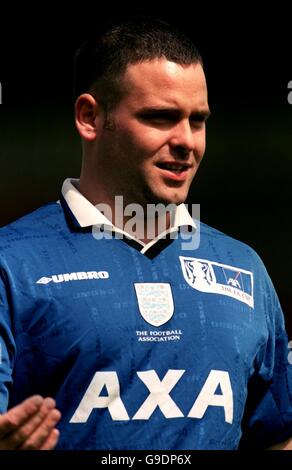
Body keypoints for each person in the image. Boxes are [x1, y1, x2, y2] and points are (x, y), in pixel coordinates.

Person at [0, 17, 292, 451]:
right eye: (161, 117)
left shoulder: (243, 269)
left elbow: (276, 435)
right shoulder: (13, 264)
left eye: (198, 120)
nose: (186, 141)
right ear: (90, 117)